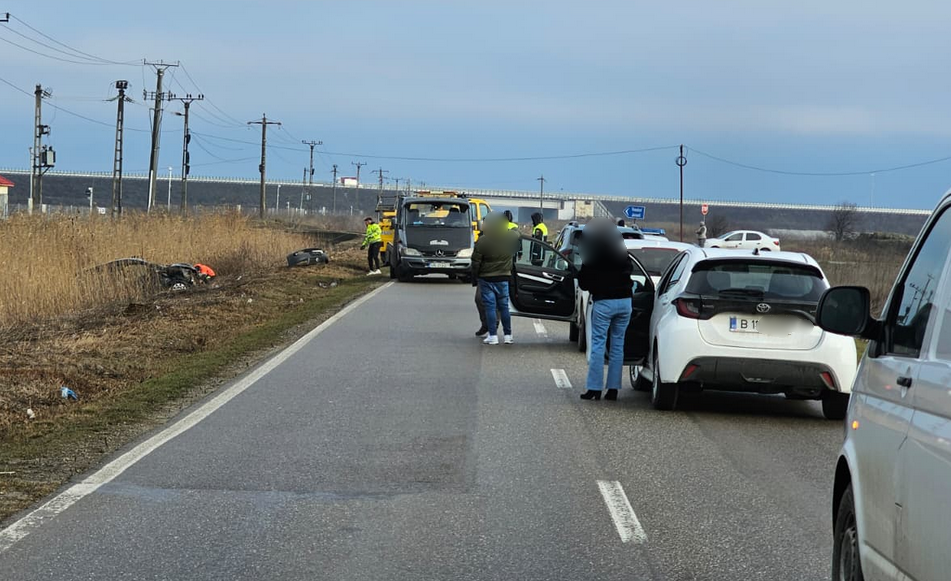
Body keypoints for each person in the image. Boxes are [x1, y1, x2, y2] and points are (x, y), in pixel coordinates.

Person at [578, 218, 633, 401]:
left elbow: (584, 283)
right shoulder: (622, 254)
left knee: (598, 345)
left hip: (604, 303)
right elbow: (630, 271)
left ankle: (594, 388)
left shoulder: (593, 255)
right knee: (618, 345)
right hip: (625, 302)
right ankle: (613, 389)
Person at [472, 212, 520, 345]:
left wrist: (475, 277)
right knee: (504, 307)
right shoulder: (510, 237)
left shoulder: (483, 240)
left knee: (490, 307)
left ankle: (493, 336)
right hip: (504, 277)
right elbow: (517, 232)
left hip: (486, 278)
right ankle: (508, 335)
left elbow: (475, 262)